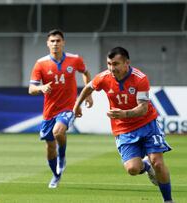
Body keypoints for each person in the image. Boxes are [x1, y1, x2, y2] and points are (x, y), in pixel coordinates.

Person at [73, 46, 173, 203]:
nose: (112, 68)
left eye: (116, 64)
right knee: (133, 169)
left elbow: (143, 108)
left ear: (127, 63)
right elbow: (88, 87)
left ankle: (168, 200)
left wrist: (125, 114)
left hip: (147, 124)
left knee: (158, 163)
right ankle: (146, 167)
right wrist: (77, 105)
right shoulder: (104, 77)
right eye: (109, 64)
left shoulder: (140, 78)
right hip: (123, 129)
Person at [28, 29, 93, 188]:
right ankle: (56, 175)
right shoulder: (41, 63)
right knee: (50, 147)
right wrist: (41, 88)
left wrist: (88, 94)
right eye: (52, 41)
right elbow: (31, 89)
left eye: (58, 41)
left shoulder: (74, 59)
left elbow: (85, 72)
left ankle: (62, 156)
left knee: (58, 131)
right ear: (47, 43)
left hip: (68, 107)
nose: (55, 44)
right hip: (49, 111)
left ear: (63, 42)